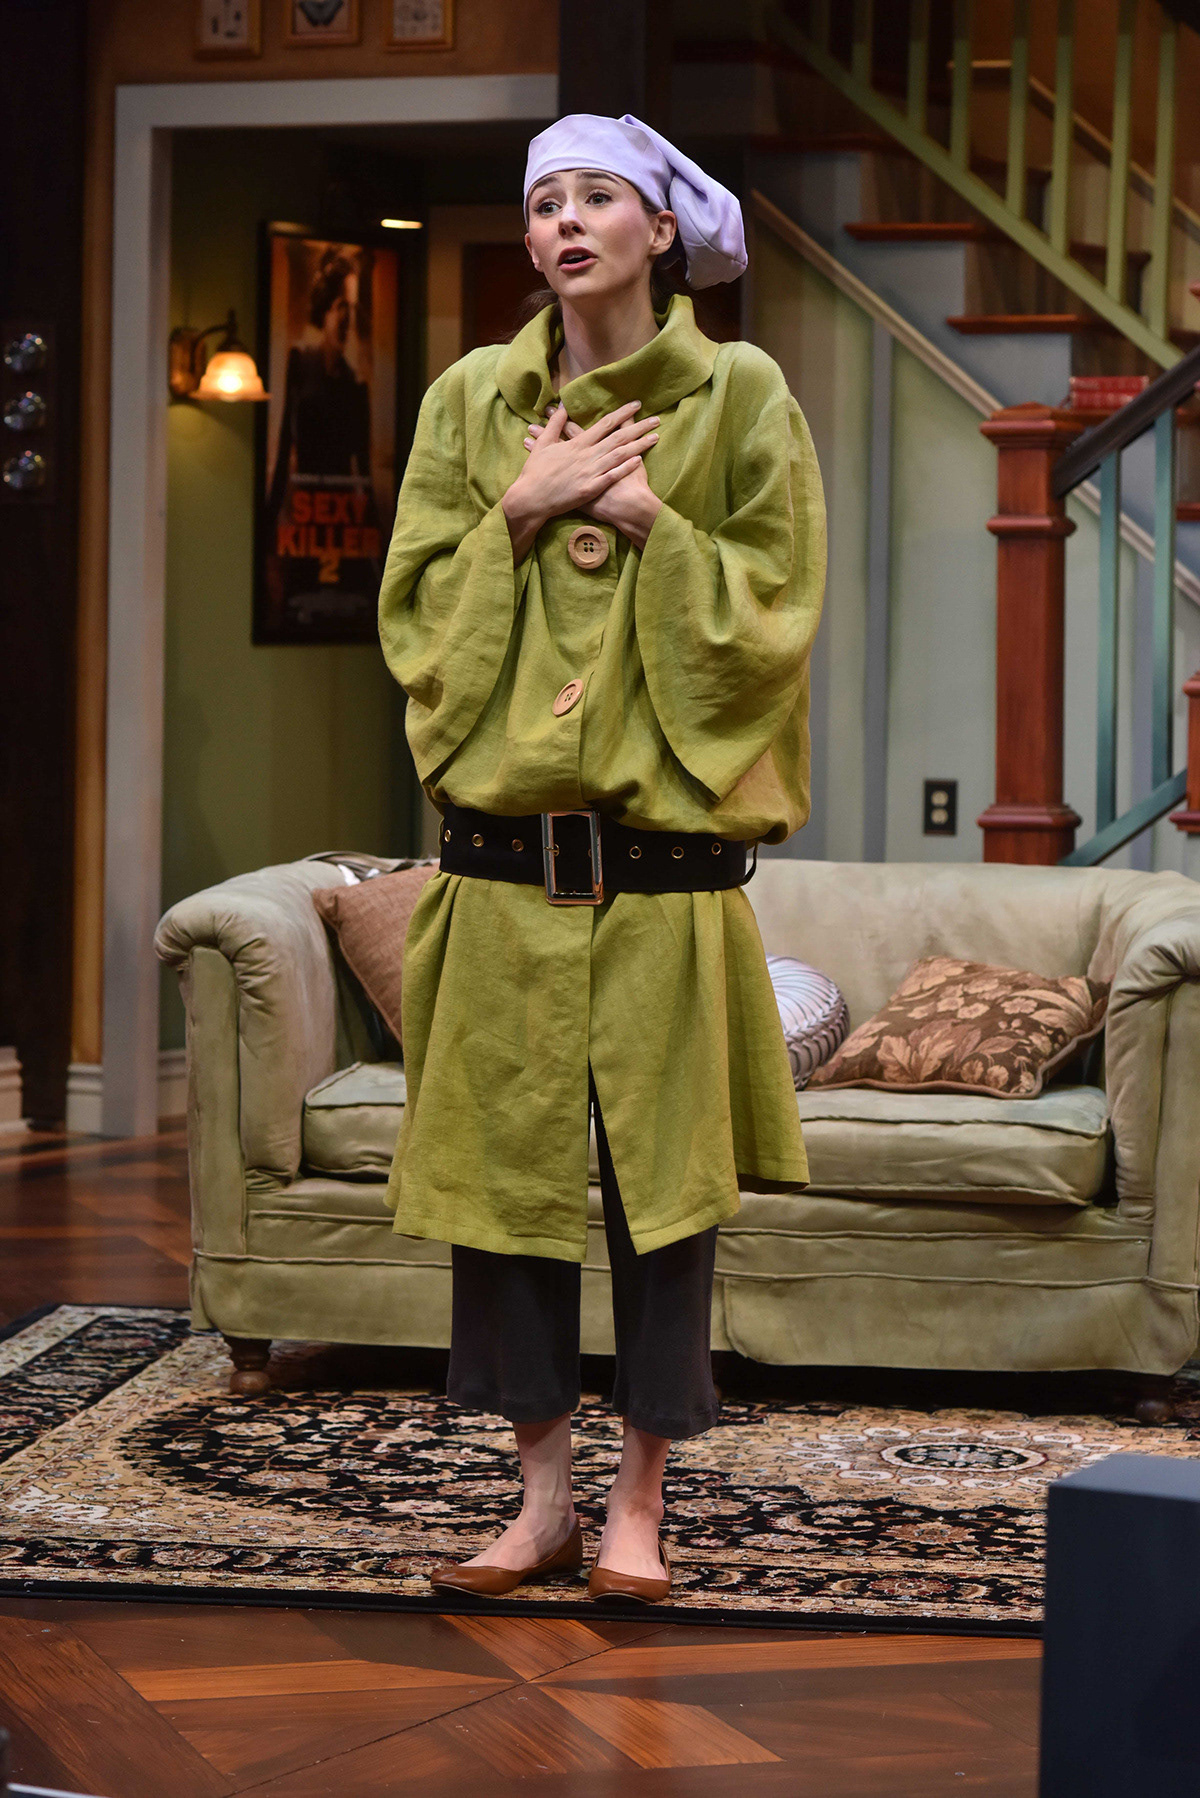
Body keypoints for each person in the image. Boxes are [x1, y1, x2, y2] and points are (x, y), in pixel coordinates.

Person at [377, 112, 827, 1604]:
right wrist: (519, 510)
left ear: (661, 229)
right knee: (503, 1204)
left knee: (662, 1205)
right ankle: (541, 1502)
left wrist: (640, 515)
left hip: (664, 884)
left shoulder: (740, 395)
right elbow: (413, 619)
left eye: (595, 198)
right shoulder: (470, 402)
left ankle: (639, 1503)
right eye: (543, 203)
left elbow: (776, 611)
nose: (562, 223)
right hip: (500, 875)